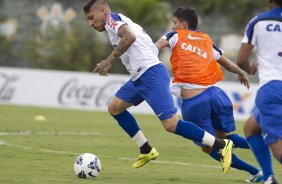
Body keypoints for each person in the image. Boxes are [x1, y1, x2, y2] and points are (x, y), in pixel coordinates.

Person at [83, 0, 233, 174]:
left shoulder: (111, 19)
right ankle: (146, 149)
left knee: (170, 124)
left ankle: (222, 144)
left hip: (150, 73)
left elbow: (129, 37)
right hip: (140, 76)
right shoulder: (122, 21)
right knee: (115, 108)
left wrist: (108, 61)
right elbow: (142, 41)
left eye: (91, 18)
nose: (90, 23)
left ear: (103, 10)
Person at [155, 6, 263, 182]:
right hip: (216, 95)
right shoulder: (206, 39)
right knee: (224, 137)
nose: (173, 26)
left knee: (210, 146)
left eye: (175, 23)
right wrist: (241, 73)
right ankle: (269, 146)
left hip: (195, 102)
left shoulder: (175, 35)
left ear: (183, 23)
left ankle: (255, 172)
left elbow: (156, 47)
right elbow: (226, 63)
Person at [237, 0, 282, 183]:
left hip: (273, 87)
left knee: (277, 147)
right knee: (251, 127)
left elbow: (241, 60)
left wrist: (250, 68)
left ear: (269, 1)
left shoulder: (258, 21)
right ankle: (269, 176)